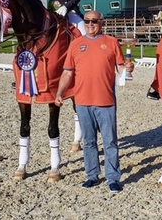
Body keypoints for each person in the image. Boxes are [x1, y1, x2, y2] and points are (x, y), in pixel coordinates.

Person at [55, 10, 133, 193]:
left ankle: (113, 178)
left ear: (102, 22)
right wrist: (60, 91)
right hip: (82, 102)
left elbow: (121, 67)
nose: (90, 24)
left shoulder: (112, 43)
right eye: (87, 21)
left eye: (94, 21)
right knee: (89, 142)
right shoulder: (76, 45)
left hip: (106, 101)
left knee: (110, 142)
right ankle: (92, 175)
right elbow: (67, 71)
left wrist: (128, 68)